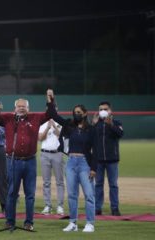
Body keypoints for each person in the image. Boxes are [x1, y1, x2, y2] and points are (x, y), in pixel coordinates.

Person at [0, 91, 50, 231]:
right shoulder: (8, 118)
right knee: (11, 193)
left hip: (30, 162)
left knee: (30, 195)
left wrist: (50, 100)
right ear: (14, 108)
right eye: (19, 106)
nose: (21, 108)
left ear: (28, 108)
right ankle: (10, 221)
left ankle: (29, 222)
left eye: (24, 106)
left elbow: (49, 114)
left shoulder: (36, 118)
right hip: (13, 161)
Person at [47, 89, 96, 233]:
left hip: (85, 164)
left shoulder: (91, 130)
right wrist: (51, 100)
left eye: (79, 112)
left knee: (88, 194)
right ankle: (73, 223)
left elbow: (97, 150)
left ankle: (90, 223)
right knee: (72, 195)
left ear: (85, 114)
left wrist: (94, 168)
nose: (76, 114)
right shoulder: (69, 125)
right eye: (75, 112)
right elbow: (53, 115)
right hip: (71, 163)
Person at [93, 101, 124, 216]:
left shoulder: (116, 122)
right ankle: (97, 208)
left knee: (113, 185)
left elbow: (120, 134)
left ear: (110, 110)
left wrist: (111, 124)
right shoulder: (97, 123)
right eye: (101, 109)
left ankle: (115, 208)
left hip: (112, 159)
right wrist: (94, 124)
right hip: (99, 159)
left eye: (105, 109)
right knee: (98, 184)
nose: (103, 111)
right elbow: (91, 138)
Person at [38, 119, 65, 215]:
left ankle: (60, 206)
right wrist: (47, 128)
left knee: (60, 182)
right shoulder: (42, 124)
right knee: (46, 182)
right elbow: (40, 138)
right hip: (44, 154)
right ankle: (47, 206)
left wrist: (54, 126)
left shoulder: (60, 123)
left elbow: (62, 137)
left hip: (57, 154)